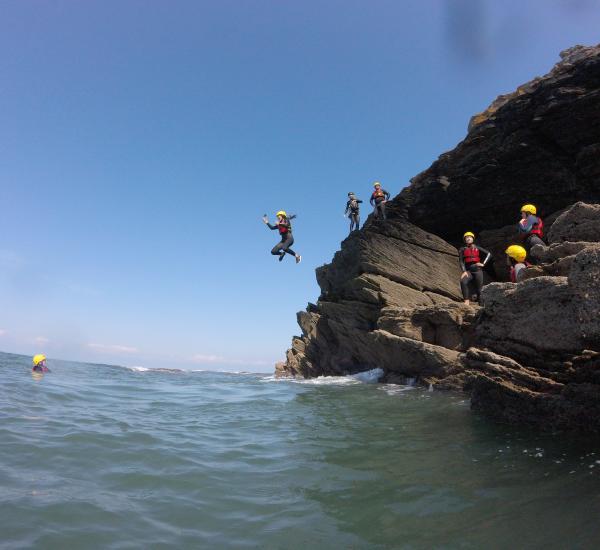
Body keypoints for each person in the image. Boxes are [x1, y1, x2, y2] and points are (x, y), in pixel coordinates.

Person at [458, 231, 492, 305]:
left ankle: (481, 306)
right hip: (469, 270)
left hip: (478, 270)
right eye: (466, 237)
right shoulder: (462, 249)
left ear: (473, 239)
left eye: (470, 237)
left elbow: (489, 254)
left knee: (479, 290)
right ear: (464, 240)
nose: (468, 238)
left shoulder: (477, 247)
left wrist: (483, 263)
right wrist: (464, 271)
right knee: (463, 281)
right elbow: (461, 261)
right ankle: (466, 301)